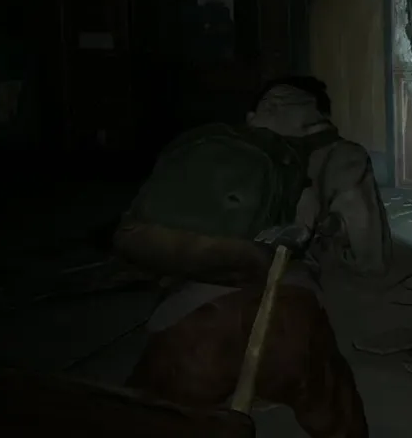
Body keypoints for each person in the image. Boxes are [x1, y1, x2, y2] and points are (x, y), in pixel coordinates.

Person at [124, 76, 390, 438]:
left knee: (148, 417)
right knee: (335, 409)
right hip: (287, 308)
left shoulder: (219, 146)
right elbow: (370, 257)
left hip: (195, 316)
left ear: (255, 113)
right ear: (321, 114)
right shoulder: (343, 155)